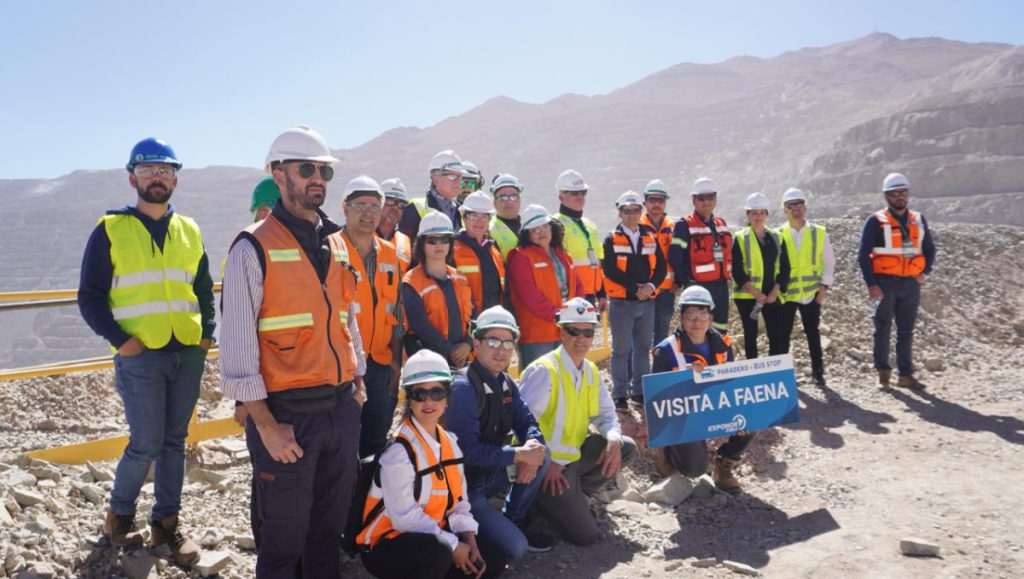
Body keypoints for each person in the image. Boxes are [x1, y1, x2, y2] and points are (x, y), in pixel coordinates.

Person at [219, 125, 366, 578]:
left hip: (340, 413)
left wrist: (357, 381)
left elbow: (347, 319)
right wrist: (266, 425)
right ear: (279, 176)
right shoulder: (252, 247)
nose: (317, 177)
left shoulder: (338, 244)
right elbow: (237, 350)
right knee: (283, 542)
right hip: (287, 420)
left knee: (327, 534)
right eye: (307, 169)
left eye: (323, 169)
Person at [78, 137, 214, 564]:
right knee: (146, 441)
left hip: (187, 352)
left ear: (175, 178)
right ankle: (119, 515)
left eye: (166, 170)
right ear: (132, 177)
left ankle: (166, 526)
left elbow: (203, 289)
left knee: (175, 442)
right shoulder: (111, 230)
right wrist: (122, 341)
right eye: (150, 169)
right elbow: (91, 296)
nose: (159, 177)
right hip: (142, 355)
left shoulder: (189, 230)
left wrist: (206, 333)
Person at [357, 349, 494, 579]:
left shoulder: (450, 443)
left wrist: (469, 539)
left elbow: (459, 502)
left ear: (447, 397)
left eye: (437, 392)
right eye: (419, 394)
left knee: (489, 555)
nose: (428, 401)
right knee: (438, 553)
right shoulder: (399, 452)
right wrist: (453, 544)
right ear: (409, 400)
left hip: (430, 536)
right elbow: (404, 518)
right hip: (387, 543)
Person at [519, 298, 638, 546]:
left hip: (569, 460)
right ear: (562, 332)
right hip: (542, 466)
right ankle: (539, 501)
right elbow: (522, 426)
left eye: (588, 331)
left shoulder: (590, 370)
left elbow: (605, 414)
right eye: (574, 330)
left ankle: (571, 494)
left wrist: (613, 437)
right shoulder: (545, 370)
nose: (581, 338)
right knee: (586, 536)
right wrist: (546, 462)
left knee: (625, 447)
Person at [446, 306, 555, 566]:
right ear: (477, 343)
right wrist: (519, 454)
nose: (502, 349)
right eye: (493, 340)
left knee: (542, 454)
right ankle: (467, 533)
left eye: (508, 342)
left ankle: (511, 520)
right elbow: (466, 453)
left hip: (489, 475)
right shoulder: (463, 388)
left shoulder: (506, 382)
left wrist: (531, 450)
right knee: (515, 548)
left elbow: (528, 423)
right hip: (464, 490)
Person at [653, 286, 754, 494]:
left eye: (702, 314)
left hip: (713, 408)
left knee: (757, 412)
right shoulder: (666, 351)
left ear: (710, 318)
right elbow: (657, 401)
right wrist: (684, 382)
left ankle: (724, 463)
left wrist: (739, 416)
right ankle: (669, 453)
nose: (697, 321)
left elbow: (731, 386)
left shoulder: (723, 346)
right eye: (691, 315)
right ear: (681, 318)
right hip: (684, 417)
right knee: (695, 470)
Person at [339, 176, 405, 459]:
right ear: (345, 208)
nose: (368, 213)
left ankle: (370, 502)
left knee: (375, 443)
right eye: (360, 205)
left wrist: (396, 361)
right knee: (344, 445)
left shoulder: (390, 252)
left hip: (381, 363)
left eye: (374, 206)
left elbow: (398, 310)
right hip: (343, 367)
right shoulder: (331, 249)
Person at [857, 173, 936, 390]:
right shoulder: (875, 221)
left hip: (911, 283)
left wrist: (925, 272)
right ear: (886, 196)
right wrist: (872, 285)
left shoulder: (918, 219)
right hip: (884, 284)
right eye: (895, 193)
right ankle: (883, 373)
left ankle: (906, 375)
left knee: (906, 330)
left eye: (904, 192)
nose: (900, 197)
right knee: (882, 328)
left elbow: (929, 249)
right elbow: (863, 255)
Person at [602, 191, 667, 408]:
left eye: (635, 210)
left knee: (642, 348)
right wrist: (635, 288)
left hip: (647, 302)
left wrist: (650, 287)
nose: (631, 215)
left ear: (641, 211)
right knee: (621, 350)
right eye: (626, 211)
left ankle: (639, 393)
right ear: (619, 213)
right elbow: (610, 269)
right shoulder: (611, 238)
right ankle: (620, 395)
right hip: (622, 303)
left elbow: (661, 267)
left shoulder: (650, 237)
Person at [507, 204, 584, 368]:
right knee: (538, 382)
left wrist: (575, 314)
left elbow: (577, 285)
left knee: (564, 377)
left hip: (565, 328)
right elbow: (530, 296)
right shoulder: (521, 257)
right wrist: (559, 316)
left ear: (552, 227)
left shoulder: (563, 254)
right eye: (535, 229)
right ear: (527, 233)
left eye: (544, 227)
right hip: (538, 334)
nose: (541, 232)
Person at [775, 188, 834, 386]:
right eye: (791, 205)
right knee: (783, 335)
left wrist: (824, 286)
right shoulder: (778, 234)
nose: (796, 209)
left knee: (813, 333)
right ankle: (782, 377)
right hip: (788, 295)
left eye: (799, 204)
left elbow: (828, 261)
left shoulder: (819, 233)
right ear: (785, 210)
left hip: (811, 293)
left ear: (805, 207)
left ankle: (818, 374)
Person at [402, 211, 474, 368]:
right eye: (432, 240)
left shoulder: (460, 277)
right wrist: (451, 351)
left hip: (463, 359)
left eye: (444, 239)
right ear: (422, 244)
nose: (439, 245)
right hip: (428, 362)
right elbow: (419, 325)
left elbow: (473, 316)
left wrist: (468, 344)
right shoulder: (411, 281)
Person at [668, 177, 733, 334]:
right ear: (694, 201)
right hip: (697, 286)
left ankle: (718, 358)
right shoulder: (684, 225)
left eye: (710, 197)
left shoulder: (721, 224)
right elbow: (675, 257)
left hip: (721, 287)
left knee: (719, 329)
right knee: (697, 330)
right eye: (701, 198)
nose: (706, 202)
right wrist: (687, 280)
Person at [731, 192, 791, 360]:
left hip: (772, 296)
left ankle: (774, 371)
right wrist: (755, 293)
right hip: (748, 296)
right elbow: (737, 270)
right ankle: (754, 374)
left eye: (761, 212)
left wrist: (774, 291)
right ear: (748, 215)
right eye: (754, 213)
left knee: (776, 334)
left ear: (767, 214)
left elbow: (785, 267)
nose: (758, 216)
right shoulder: (740, 238)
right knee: (750, 335)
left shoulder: (777, 237)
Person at [553, 170, 606, 309]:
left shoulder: (590, 225)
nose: (580, 196)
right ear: (561, 197)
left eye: (583, 192)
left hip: (590, 294)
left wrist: (602, 294)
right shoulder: (555, 224)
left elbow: (598, 262)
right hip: (570, 295)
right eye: (574, 193)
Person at [454, 191, 506, 312]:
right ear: (464, 218)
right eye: (473, 216)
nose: (479, 222)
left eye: (484, 216)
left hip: (494, 320)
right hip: (466, 322)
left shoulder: (494, 251)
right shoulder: (452, 250)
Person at [640, 179, 677, 343]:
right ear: (645, 202)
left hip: (666, 291)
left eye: (660, 200)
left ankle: (659, 368)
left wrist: (679, 281)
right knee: (640, 338)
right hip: (644, 291)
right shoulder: (637, 225)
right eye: (652, 200)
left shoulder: (672, 226)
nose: (656, 204)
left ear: (665, 202)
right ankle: (639, 369)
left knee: (662, 337)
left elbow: (678, 257)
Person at [398, 150, 464, 240]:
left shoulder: (462, 211)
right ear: (435, 179)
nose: (459, 181)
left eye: (460, 176)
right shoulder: (415, 208)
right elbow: (405, 247)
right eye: (452, 176)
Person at [377, 178, 412, 267]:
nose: (395, 208)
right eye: (389, 201)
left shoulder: (405, 242)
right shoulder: (363, 235)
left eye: (401, 204)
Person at [489, 174, 524, 260]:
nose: (509, 201)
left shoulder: (530, 226)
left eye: (513, 196)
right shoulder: (488, 229)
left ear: (519, 200)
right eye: (503, 197)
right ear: (494, 202)